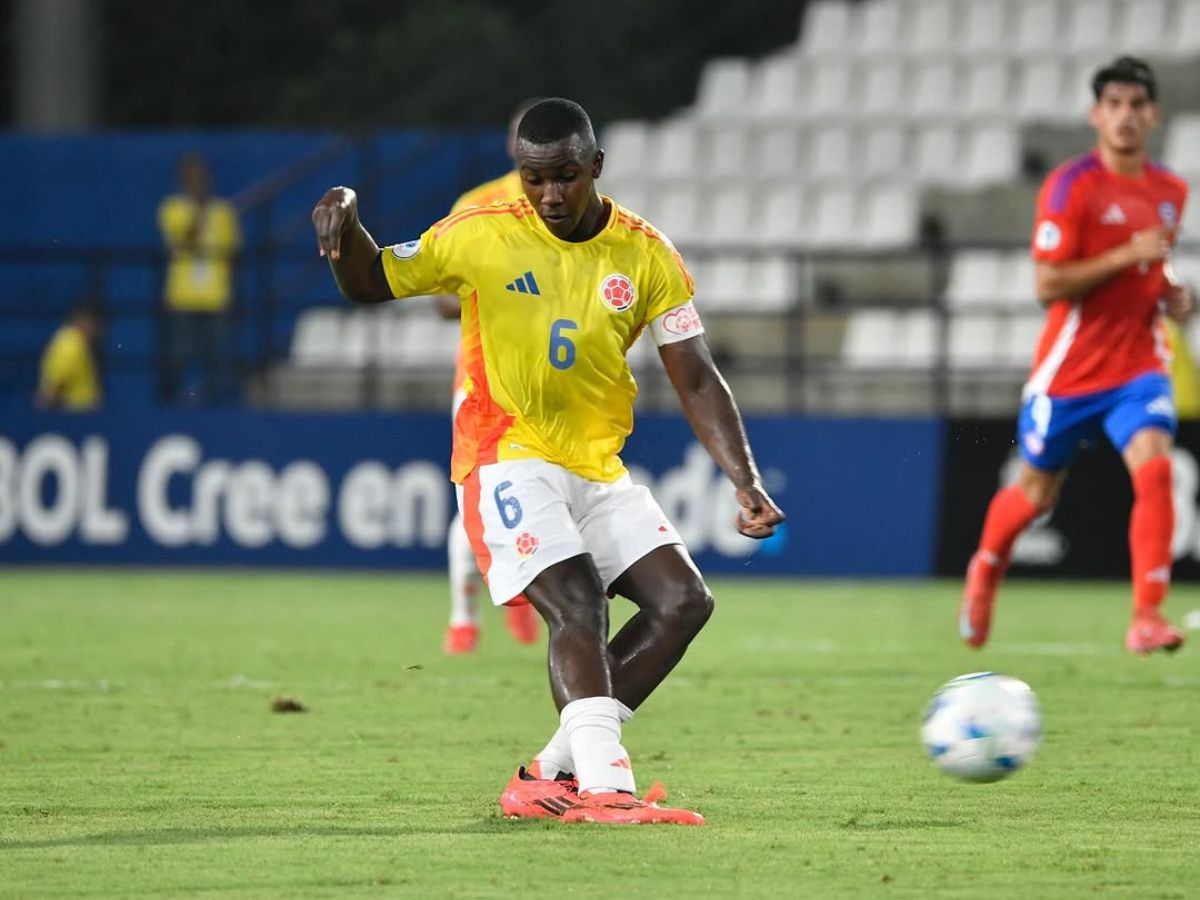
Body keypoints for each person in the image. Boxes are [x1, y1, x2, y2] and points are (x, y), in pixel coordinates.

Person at [313, 98, 784, 825]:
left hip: (596, 467)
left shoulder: (645, 253)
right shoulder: (481, 234)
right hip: (505, 456)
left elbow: (694, 375)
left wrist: (744, 479)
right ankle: (607, 790)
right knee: (578, 605)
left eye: (565, 176)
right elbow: (373, 279)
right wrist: (345, 228)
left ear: (595, 167)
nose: (549, 194)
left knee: (683, 603)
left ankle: (549, 774)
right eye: (534, 179)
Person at [960, 57, 1193, 654]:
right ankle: (985, 569)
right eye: (1113, 104)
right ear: (1096, 115)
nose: (1125, 116)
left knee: (1157, 464)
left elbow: (1151, 267)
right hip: (1070, 370)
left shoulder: (1171, 190)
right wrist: (1124, 255)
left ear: (1153, 115)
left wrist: (1170, 293)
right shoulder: (1072, 187)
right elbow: (1048, 285)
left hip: (1138, 364)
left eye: (1136, 105)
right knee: (1037, 493)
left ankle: (1146, 614)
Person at [438, 101, 540, 655]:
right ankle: (463, 617)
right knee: (474, 496)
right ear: (510, 146)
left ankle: (525, 597)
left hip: (556, 386)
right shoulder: (479, 207)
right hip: (486, 381)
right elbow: (439, 298)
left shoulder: (578, 210)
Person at [158, 153, 241, 405]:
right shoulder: (172, 208)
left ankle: (218, 413)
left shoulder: (224, 211)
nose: (197, 182)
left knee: (219, 363)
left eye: (201, 176)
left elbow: (232, 250)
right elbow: (185, 237)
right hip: (183, 299)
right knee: (176, 360)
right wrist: (199, 210)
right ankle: (170, 410)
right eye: (191, 177)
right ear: (182, 180)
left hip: (216, 299)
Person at [35, 302, 103, 411]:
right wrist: (47, 401)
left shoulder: (72, 341)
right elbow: (58, 379)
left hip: (79, 412)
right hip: (75, 413)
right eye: (94, 325)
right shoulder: (71, 344)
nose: (96, 330)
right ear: (83, 321)